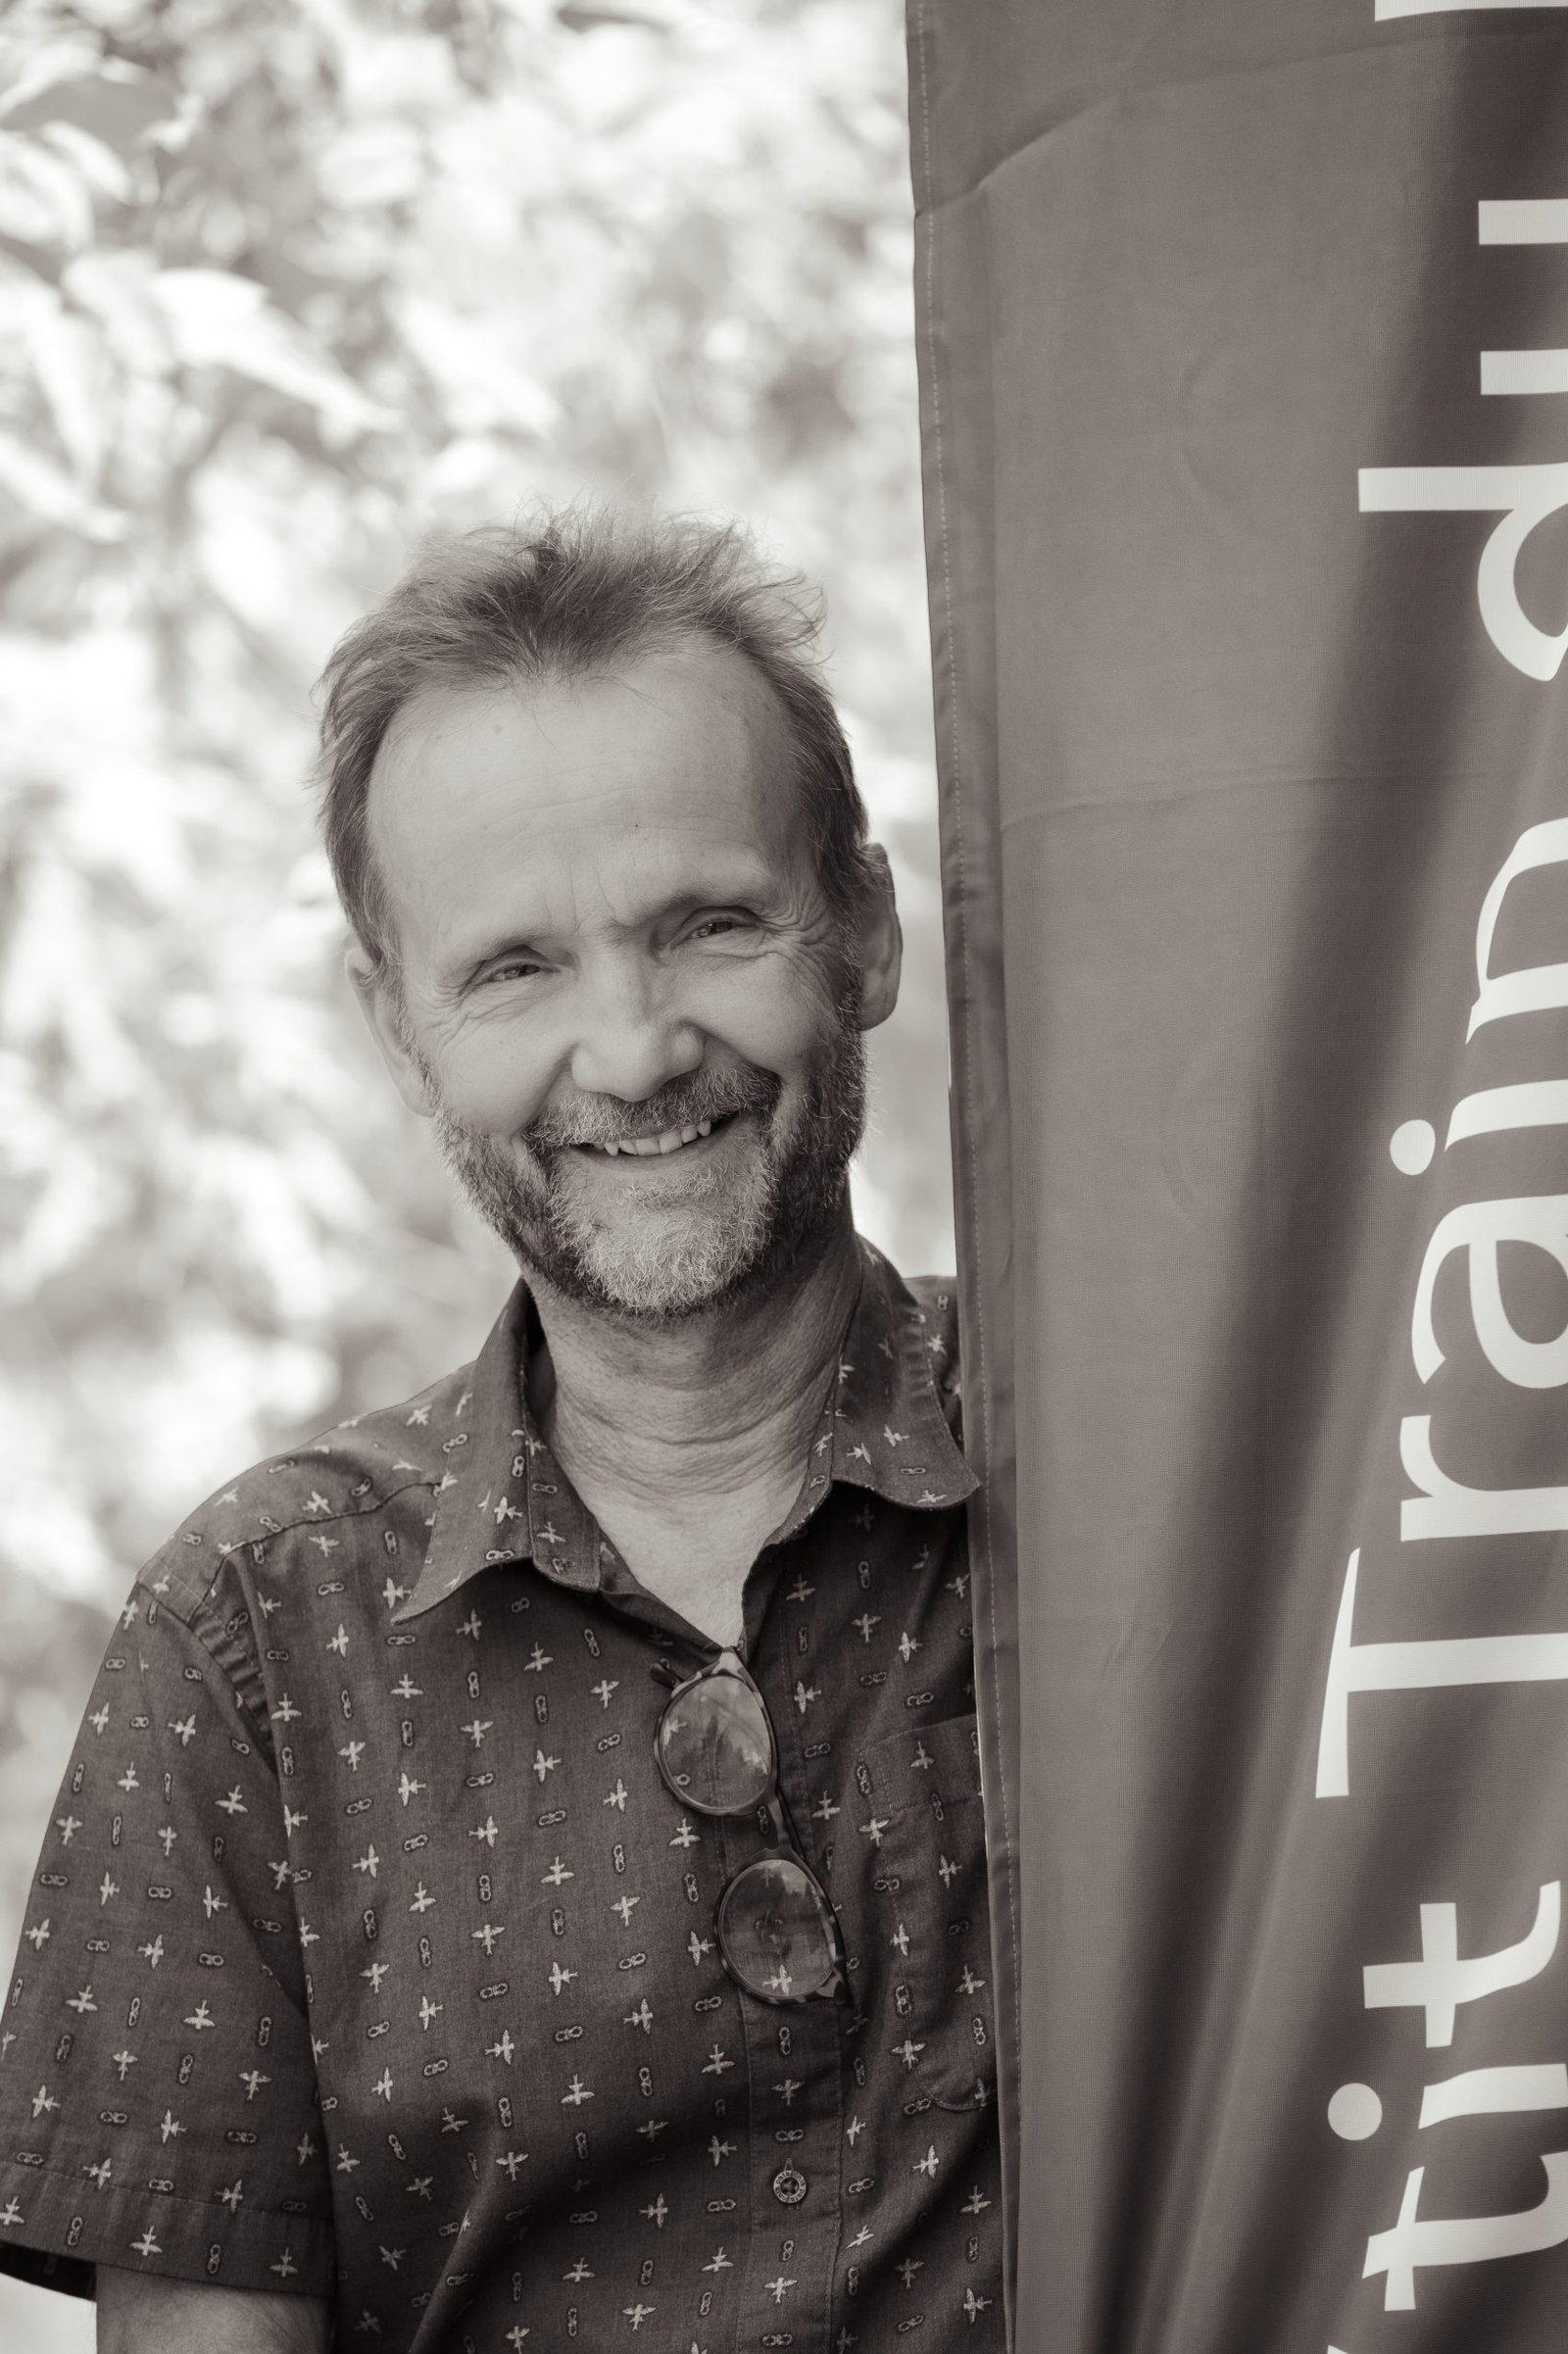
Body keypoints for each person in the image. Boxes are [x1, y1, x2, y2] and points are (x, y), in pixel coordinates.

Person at [0, 513, 1003, 2351]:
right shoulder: (252, 1633)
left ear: (862, 928)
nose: (632, 1050)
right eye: (515, 967)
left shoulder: (1142, 1459)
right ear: (400, 1030)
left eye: (709, 924)